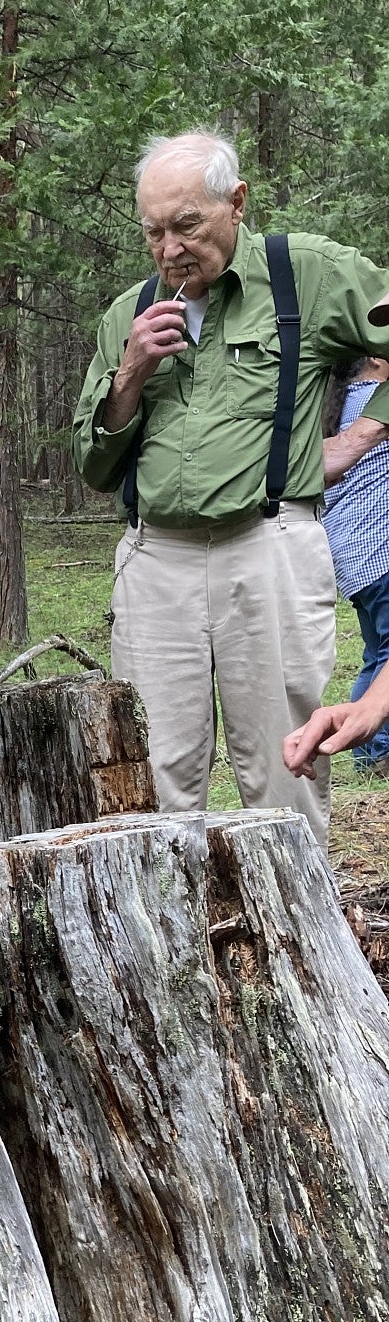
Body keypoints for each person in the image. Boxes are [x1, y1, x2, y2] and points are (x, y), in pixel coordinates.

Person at [72, 129, 389, 847]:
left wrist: (362, 434)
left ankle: (296, 946)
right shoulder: (129, 313)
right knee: (153, 775)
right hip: (156, 562)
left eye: (187, 225)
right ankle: (166, 945)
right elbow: (93, 467)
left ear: (236, 202)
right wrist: (130, 376)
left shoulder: (307, 274)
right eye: (154, 231)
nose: (170, 248)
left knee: (285, 767)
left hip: (270, 544)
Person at [321, 356, 389, 772]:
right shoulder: (376, 404)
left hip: (351, 558)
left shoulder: (337, 408)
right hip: (381, 548)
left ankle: (368, 750)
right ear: (377, 360)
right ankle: (375, 752)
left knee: (377, 653)